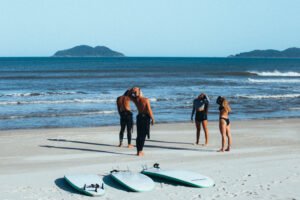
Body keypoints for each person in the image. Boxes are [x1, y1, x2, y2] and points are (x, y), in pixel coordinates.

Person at [130, 87, 154, 156]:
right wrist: (152, 118)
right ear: (140, 92)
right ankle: (140, 151)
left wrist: (132, 91)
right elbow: (149, 110)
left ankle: (138, 151)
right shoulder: (145, 99)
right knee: (143, 135)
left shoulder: (135, 99)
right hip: (145, 117)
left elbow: (128, 94)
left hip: (139, 117)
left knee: (139, 135)